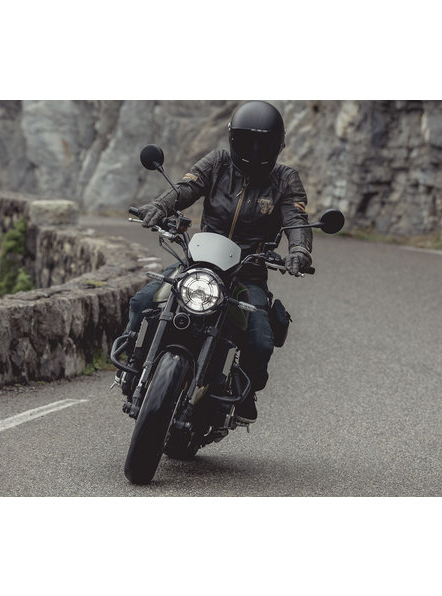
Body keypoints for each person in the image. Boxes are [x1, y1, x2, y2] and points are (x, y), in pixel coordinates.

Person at [125, 100, 313, 423]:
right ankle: (132, 358)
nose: (255, 151)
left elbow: (296, 220)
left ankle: (245, 392)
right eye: (248, 141)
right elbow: (186, 188)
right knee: (142, 301)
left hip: (247, 275)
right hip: (199, 264)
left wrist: (299, 250)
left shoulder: (285, 180)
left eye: (263, 143)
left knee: (260, 341)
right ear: (233, 138)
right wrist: (160, 206)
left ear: (278, 145)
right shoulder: (218, 163)